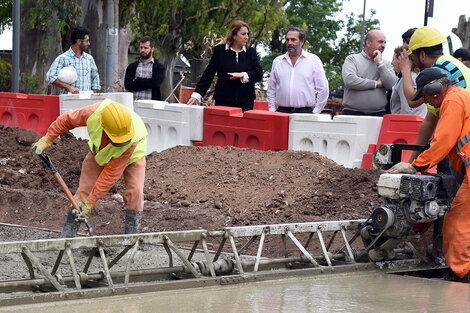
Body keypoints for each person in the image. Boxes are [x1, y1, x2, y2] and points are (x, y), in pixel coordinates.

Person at [389, 67, 470, 282]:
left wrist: (416, 166)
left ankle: (462, 276)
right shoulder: (462, 97)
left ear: (435, 89)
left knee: (457, 225)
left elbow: (443, 141)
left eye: (425, 97)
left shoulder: (452, 101)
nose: (427, 103)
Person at [31, 100, 147, 237]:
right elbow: (67, 120)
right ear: (104, 128)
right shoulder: (93, 113)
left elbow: (111, 174)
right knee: (84, 192)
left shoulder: (131, 139)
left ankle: (132, 239)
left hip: (133, 155)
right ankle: (66, 237)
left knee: (135, 191)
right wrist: (48, 138)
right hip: (99, 153)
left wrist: (90, 203)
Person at [399, 26, 470, 164]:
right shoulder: (448, 63)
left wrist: (405, 70)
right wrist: (411, 161)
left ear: (423, 55)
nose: (412, 62)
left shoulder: (438, 70)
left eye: (412, 58)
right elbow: (429, 121)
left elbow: (412, 100)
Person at [187, 20, 263, 112]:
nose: (246, 37)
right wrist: (197, 94)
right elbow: (209, 74)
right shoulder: (220, 51)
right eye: (243, 34)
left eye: (247, 34)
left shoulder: (251, 52)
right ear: (234, 35)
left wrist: (243, 75)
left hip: (245, 102)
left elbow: (258, 74)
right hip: (223, 101)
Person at [267, 27, 329, 114]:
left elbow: (323, 88)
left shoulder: (313, 60)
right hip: (281, 112)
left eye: (293, 40)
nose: (289, 43)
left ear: (302, 41)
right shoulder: (277, 61)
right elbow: (271, 89)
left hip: (305, 112)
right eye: (287, 40)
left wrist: (316, 111)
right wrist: (272, 109)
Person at [341, 30, 396, 116]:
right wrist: (376, 84)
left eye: (385, 43)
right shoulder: (352, 59)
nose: (383, 46)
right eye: (380, 42)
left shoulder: (386, 64)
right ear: (368, 43)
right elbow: (350, 81)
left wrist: (380, 64)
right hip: (352, 113)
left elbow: (392, 85)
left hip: (378, 114)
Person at [46, 26, 100, 94]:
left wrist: (93, 94)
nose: (88, 43)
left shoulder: (89, 59)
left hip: (87, 101)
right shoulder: (63, 58)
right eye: (87, 41)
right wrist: (68, 87)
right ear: (79, 41)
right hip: (68, 100)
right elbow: (50, 77)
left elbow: (95, 77)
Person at [390, 45, 427, 117]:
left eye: (393, 59)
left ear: (401, 60)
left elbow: (408, 110)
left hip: (408, 124)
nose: (391, 63)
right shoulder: (414, 76)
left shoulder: (407, 80)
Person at [124, 36, 166, 100]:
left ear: (152, 49)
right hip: (133, 105)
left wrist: (137, 80)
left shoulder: (159, 67)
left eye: (146, 48)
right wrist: (149, 83)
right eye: (141, 47)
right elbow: (127, 85)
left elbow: (156, 83)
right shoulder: (132, 67)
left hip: (151, 106)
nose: (143, 50)